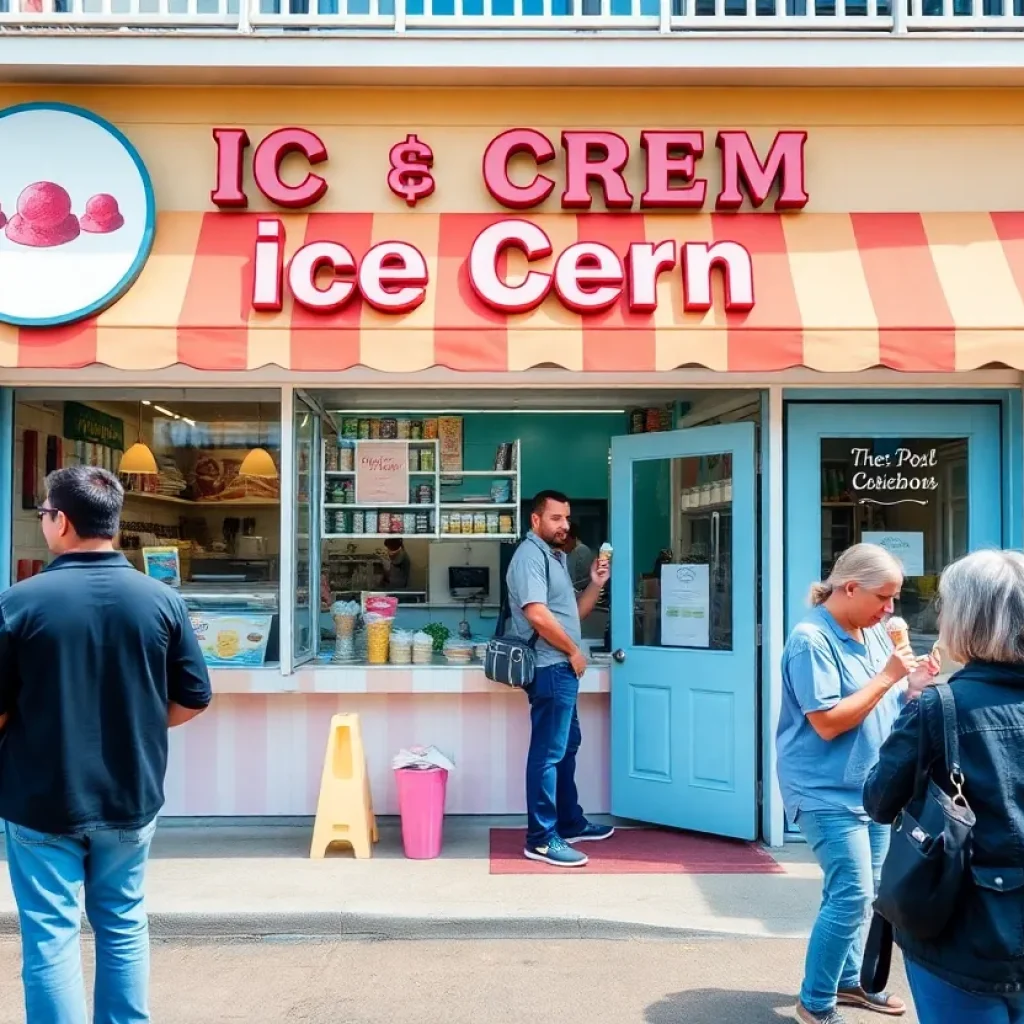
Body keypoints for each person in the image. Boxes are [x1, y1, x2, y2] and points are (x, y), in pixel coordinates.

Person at [0, 467, 213, 1024]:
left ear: (62, 522)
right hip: (129, 793)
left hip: (40, 798)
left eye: (45, 513)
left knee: (50, 935)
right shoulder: (160, 600)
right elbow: (194, 697)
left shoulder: (18, 603)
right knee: (122, 922)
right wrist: (137, 723)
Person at [776, 543, 940, 1024]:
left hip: (871, 787)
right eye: (883, 598)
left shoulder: (870, 633)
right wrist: (889, 675)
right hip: (822, 789)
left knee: (866, 892)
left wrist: (912, 686)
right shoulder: (811, 640)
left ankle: (848, 981)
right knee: (850, 893)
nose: (891, 609)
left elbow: (882, 707)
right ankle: (816, 1002)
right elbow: (827, 721)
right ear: (850, 588)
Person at [865, 549, 1024, 1024]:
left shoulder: (940, 708)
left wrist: (910, 707)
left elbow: (878, 799)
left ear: (964, 620)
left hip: (960, 931)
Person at [506, 489, 611, 867]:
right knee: (548, 753)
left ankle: (569, 822)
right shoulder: (529, 557)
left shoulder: (555, 557)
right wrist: (572, 651)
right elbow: (537, 615)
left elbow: (570, 615)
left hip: (563, 668)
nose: (564, 525)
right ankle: (541, 838)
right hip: (551, 667)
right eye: (556, 518)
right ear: (536, 520)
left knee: (567, 745)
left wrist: (596, 583)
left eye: (566, 518)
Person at [563, 522, 595, 593]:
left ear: (573, 538)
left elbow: (577, 581)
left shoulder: (581, 551)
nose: (563, 545)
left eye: (566, 541)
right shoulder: (568, 553)